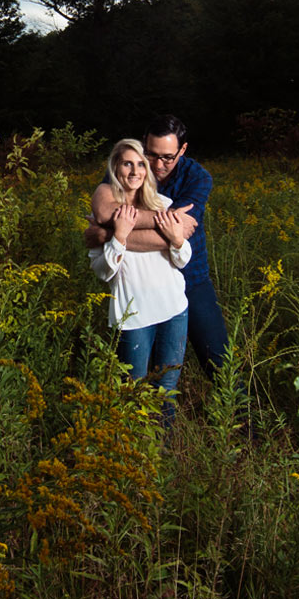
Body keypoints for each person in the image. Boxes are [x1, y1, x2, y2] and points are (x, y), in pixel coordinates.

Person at [86, 116, 232, 402]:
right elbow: (104, 211)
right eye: (151, 154)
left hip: (191, 276)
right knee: (141, 375)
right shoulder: (132, 166)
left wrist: (110, 235)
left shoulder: (197, 177)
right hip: (141, 289)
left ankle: (243, 425)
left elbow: (179, 233)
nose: (157, 165)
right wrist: (161, 222)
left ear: (182, 150)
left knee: (218, 359)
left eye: (167, 157)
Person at [88, 139, 195, 424]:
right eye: (127, 164)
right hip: (132, 316)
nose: (135, 171)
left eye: (140, 164)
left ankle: (163, 452)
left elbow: (183, 259)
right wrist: (118, 237)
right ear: (115, 168)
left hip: (174, 309)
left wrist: (174, 239)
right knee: (132, 391)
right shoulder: (103, 218)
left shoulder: (164, 206)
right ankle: (134, 455)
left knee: (167, 390)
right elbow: (102, 272)